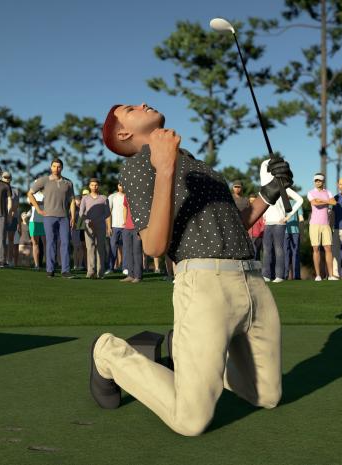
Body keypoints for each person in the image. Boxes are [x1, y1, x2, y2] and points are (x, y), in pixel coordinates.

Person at [92, 103, 288, 436]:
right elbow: (154, 245)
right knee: (191, 420)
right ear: (123, 133)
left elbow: (235, 225)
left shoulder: (199, 165)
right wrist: (164, 167)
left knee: (266, 396)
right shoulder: (138, 165)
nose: (142, 104)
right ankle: (108, 353)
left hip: (252, 282)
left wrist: (268, 195)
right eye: (130, 109)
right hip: (205, 285)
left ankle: (191, 355)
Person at [28, 158, 76, 278]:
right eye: (54, 166)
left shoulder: (68, 183)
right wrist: (38, 209)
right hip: (49, 217)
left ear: (62, 168)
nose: (56, 169)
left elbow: (72, 200)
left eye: (58, 166)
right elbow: (30, 193)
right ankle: (50, 270)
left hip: (64, 217)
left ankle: (65, 270)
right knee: (50, 243)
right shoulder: (44, 180)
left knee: (65, 243)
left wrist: (73, 216)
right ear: (51, 167)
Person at [259, 159, 303, 283]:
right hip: (268, 223)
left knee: (279, 249)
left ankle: (279, 276)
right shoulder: (265, 183)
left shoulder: (283, 187)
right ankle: (266, 275)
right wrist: (272, 160)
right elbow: (263, 165)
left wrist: (288, 216)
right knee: (267, 250)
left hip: (279, 223)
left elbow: (300, 200)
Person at [307, 173, 336, 281]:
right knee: (316, 249)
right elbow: (315, 203)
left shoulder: (328, 192)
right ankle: (318, 275)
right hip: (314, 224)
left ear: (323, 181)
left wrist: (322, 200)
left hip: (326, 224)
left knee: (328, 248)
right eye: (316, 180)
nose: (318, 182)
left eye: (319, 180)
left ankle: (331, 275)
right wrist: (327, 201)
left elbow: (334, 202)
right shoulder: (310, 192)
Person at [79, 178, 110, 278]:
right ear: (89, 186)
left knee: (100, 249)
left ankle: (100, 273)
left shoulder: (104, 198)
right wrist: (88, 221)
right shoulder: (85, 198)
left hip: (100, 226)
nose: (94, 187)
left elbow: (107, 213)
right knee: (90, 248)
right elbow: (81, 213)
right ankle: (90, 272)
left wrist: (98, 220)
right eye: (92, 185)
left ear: (98, 186)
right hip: (89, 226)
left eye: (96, 185)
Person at [121, 195, 143, 283]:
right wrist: (124, 222)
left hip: (138, 227)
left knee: (137, 252)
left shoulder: (141, 194)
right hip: (127, 228)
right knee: (128, 252)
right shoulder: (127, 195)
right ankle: (130, 275)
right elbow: (125, 208)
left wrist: (142, 227)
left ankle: (138, 276)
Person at [1, 171, 19, 265]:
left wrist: (11, 213)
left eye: (8, 177)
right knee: (2, 238)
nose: (7, 179)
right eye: (5, 177)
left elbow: (16, 204)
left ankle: (10, 260)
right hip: (1, 216)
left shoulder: (15, 190)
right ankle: (2, 259)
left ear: (11, 179)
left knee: (11, 239)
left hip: (12, 216)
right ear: (2, 178)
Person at [108, 182, 127, 272]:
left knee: (126, 247)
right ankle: (110, 268)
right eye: (120, 185)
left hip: (126, 227)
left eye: (123, 184)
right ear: (118, 186)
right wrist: (109, 227)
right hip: (114, 226)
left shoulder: (128, 196)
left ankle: (125, 267)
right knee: (113, 247)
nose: (122, 186)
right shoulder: (112, 197)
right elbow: (108, 213)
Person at [283, 208, 304, 280]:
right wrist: (302, 233)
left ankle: (285, 275)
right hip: (293, 231)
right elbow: (301, 219)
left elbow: (301, 218)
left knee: (286, 253)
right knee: (295, 253)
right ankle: (296, 275)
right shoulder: (297, 203)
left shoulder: (283, 203)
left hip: (288, 231)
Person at [28, 191, 45, 270]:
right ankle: (36, 265)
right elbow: (31, 202)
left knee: (47, 244)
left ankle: (49, 265)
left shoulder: (47, 194)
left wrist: (38, 202)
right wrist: (41, 203)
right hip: (33, 222)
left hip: (45, 221)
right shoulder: (32, 194)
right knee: (35, 243)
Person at [247, 193, 265, 261]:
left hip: (257, 236)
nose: (252, 202)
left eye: (254, 201)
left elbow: (263, 224)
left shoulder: (260, 210)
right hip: (248, 235)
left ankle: (258, 266)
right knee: (251, 254)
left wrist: (261, 234)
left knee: (256, 253)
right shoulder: (247, 210)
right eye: (251, 201)